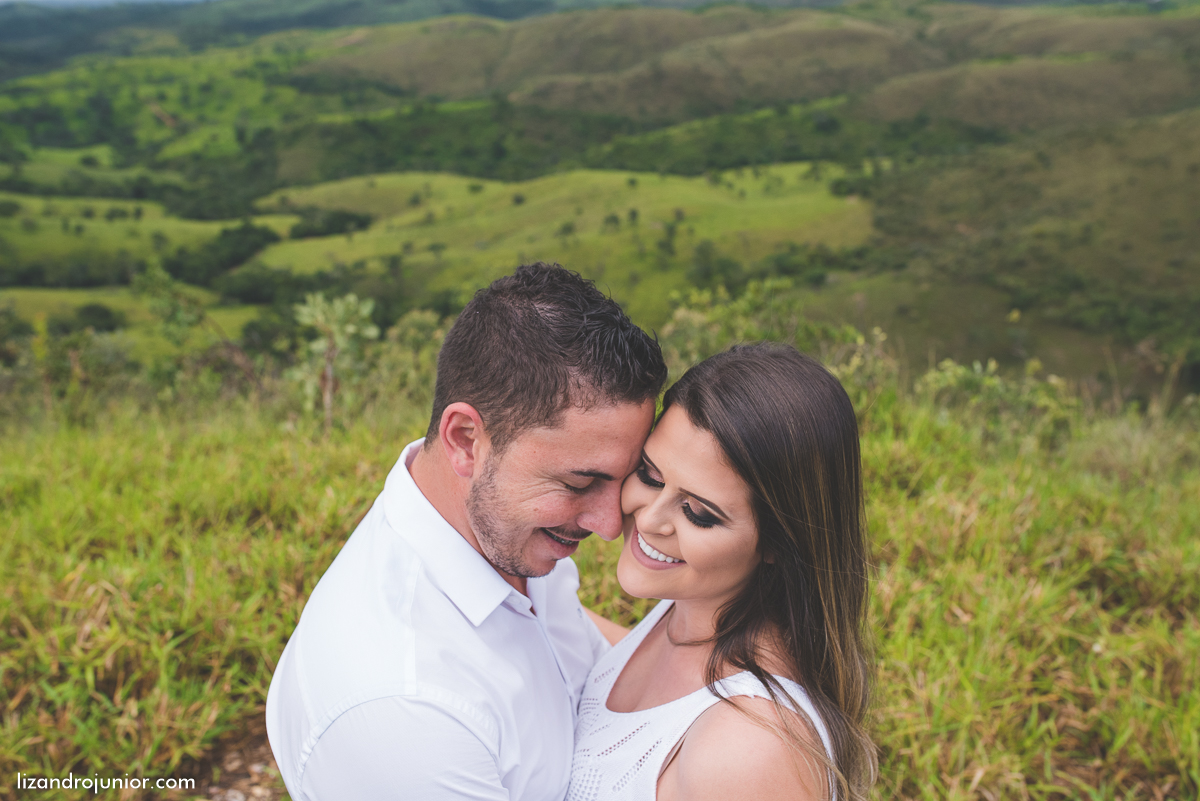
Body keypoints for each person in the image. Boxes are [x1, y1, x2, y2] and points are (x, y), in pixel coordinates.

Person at [266, 263, 667, 800]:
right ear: (464, 439)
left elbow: (574, 641)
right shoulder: (404, 712)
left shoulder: (502, 537)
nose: (610, 524)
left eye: (624, 480)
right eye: (580, 482)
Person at [567, 343, 877, 801]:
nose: (649, 520)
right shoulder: (694, 610)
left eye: (698, 512)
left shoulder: (748, 753)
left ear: (776, 542)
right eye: (651, 475)